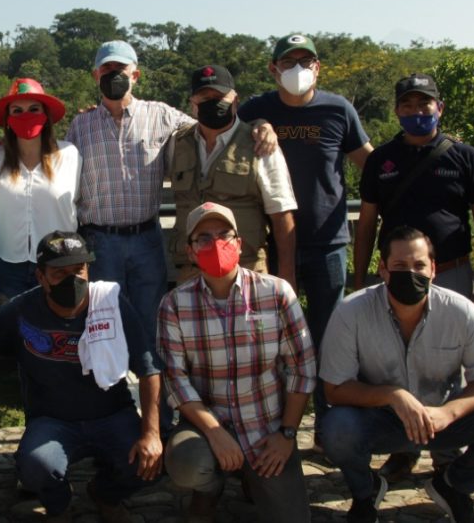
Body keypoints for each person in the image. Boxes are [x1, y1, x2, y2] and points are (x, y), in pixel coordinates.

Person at [66, 40, 278, 363]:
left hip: (146, 239)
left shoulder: (162, 115)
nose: (113, 75)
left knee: (155, 328)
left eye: (120, 69)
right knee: (105, 326)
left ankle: (159, 412)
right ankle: (115, 406)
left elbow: (217, 129)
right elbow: (60, 167)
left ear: (134, 74)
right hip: (100, 240)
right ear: (96, 74)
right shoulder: (80, 125)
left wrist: (261, 126)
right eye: (106, 69)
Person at [319, 226, 474, 523]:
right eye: (399, 266)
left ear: (433, 269)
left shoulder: (461, 311)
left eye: (419, 265)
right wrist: (392, 396)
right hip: (380, 419)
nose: (411, 273)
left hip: (442, 419)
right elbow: (334, 389)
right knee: (335, 429)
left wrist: (449, 412)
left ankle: (453, 486)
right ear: (382, 269)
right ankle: (365, 493)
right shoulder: (351, 313)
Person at [0, 230, 162, 522]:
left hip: (112, 414)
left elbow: (149, 369)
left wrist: (151, 433)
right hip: (53, 421)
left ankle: (105, 494)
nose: (72, 279)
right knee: (36, 466)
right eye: (60, 273)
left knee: (151, 461)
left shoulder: (112, 304)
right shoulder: (23, 309)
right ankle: (59, 504)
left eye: (79, 269)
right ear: (40, 276)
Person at [352, 73, 474, 481]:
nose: (417, 113)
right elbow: (366, 224)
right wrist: (361, 277)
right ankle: (403, 447)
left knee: (453, 362)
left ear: (440, 107)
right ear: (397, 110)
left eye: (425, 104)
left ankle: (446, 450)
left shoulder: (465, 158)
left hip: (451, 273)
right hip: (395, 277)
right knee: (393, 361)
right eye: (408, 106)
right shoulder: (381, 160)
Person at [236, 33, 374, 447]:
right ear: (273, 68)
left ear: (318, 66)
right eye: (288, 61)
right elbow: (217, 130)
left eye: (306, 61)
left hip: (329, 241)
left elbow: (370, 164)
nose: (298, 69)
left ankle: (329, 429)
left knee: (330, 337)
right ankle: (278, 428)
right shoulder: (257, 109)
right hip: (274, 245)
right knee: (274, 340)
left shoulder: (338, 108)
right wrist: (256, 125)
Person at [158, 202, 315, 522]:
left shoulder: (276, 293)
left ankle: (250, 476)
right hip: (206, 427)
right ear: (190, 251)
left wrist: (287, 434)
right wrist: (215, 432)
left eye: (224, 235)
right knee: (187, 463)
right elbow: (175, 379)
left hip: (266, 429)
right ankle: (209, 487)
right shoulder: (175, 304)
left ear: (239, 243)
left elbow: (303, 368)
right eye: (203, 238)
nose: (215, 244)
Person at [168, 65, 298, 285]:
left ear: (235, 100)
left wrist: (287, 279)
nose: (213, 102)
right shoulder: (177, 143)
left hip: (246, 269)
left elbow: (281, 217)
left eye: (219, 96)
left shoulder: (261, 145)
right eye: (204, 97)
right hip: (192, 272)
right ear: (193, 105)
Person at [0, 77, 79, 300]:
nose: (25, 115)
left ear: (46, 116)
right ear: (8, 119)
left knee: (57, 329)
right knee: (12, 329)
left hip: (59, 261)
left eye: (34, 109)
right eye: (17, 110)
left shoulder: (69, 155)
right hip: (8, 263)